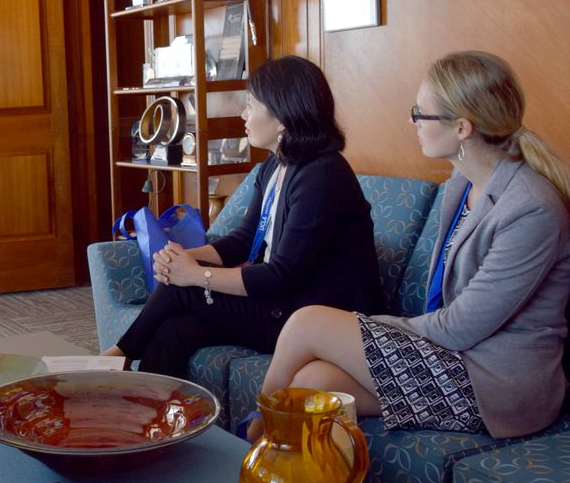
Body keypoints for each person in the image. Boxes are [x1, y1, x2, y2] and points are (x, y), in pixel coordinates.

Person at [260, 51, 570, 440]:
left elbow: (460, 328)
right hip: (455, 359)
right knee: (311, 380)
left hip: (496, 383)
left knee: (308, 322)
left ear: (462, 128)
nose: (412, 121)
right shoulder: (462, 183)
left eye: (421, 113)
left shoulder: (531, 209)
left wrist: (369, 327)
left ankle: (252, 442)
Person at [103, 55, 384, 379]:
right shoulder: (276, 165)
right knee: (177, 328)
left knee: (185, 289)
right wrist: (182, 258)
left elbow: (281, 275)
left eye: (251, 105)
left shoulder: (322, 175)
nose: (243, 115)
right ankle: (156, 419)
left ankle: (114, 359)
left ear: (282, 117)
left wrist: (194, 274)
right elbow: (241, 241)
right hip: (283, 303)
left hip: (317, 319)